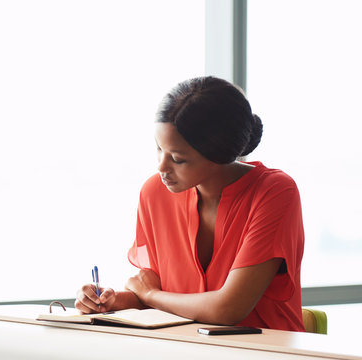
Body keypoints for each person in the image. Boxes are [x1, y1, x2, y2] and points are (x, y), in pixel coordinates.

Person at [75, 76, 305, 331]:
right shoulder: (154, 193)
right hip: (188, 350)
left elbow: (229, 309)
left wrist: (149, 295)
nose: (161, 167)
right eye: (159, 149)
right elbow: (165, 295)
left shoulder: (274, 192)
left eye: (177, 158)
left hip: (269, 352)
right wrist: (111, 301)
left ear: (219, 154)